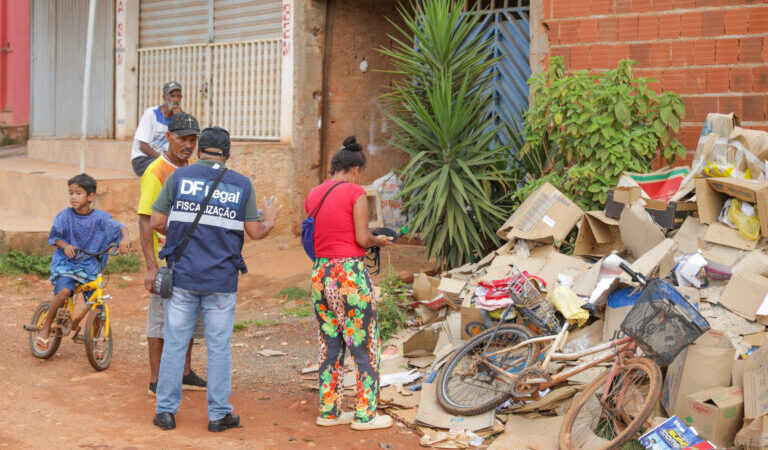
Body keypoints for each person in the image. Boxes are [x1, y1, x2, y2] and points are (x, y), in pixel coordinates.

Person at [150, 126, 282, 432]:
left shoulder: (178, 178)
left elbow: (157, 221)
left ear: (199, 152)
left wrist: (182, 233)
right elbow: (255, 232)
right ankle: (219, 415)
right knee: (219, 347)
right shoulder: (241, 184)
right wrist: (270, 221)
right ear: (228, 155)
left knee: (175, 343)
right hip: (221, 281)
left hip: (182, 275)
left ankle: (166, 412)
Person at [304, 136, 394, 430]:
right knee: (364, 342)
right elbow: (360, 238)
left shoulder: (314, 194)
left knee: (330, 343)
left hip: (320, 274)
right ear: (355, 170)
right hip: (349, 277)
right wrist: (377, 240)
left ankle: (328, 411)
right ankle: (366, 415)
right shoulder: (355, 192)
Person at [138, 112, 207, 396]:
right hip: (165, 261)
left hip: (190, 258)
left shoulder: (191, 169)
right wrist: (151, 266)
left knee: (189, 316)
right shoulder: (156, 171)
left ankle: (184, 371)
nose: (188, 145)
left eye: (193, 140)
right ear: (168, 137)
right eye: (182, 139)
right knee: (159, 321)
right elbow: (145, 219)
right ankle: (156, 379)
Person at [36, 174, 131, 347]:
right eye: (71, 193)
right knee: (64, 292)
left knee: (97, 304)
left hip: (90, 267)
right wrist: (65, 245)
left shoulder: (101, 218)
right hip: (67, 265)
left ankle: (92, 337)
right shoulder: (64, 216)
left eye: (78, 193)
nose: (73, 197)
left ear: (91, 196)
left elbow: (121, 228)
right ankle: (45, 327)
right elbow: (56, 237)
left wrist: (124, 239)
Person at [131, 81, 183, 177]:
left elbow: (182, 145)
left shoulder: (179, 117)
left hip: (164, 160)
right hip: (143, 159)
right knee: (168, 170)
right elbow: (143, 146)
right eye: (172, 96)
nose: (176, 100)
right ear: (164, 98)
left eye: (178, 96)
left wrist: (180, 121)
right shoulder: (151, 114)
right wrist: (163, 159)